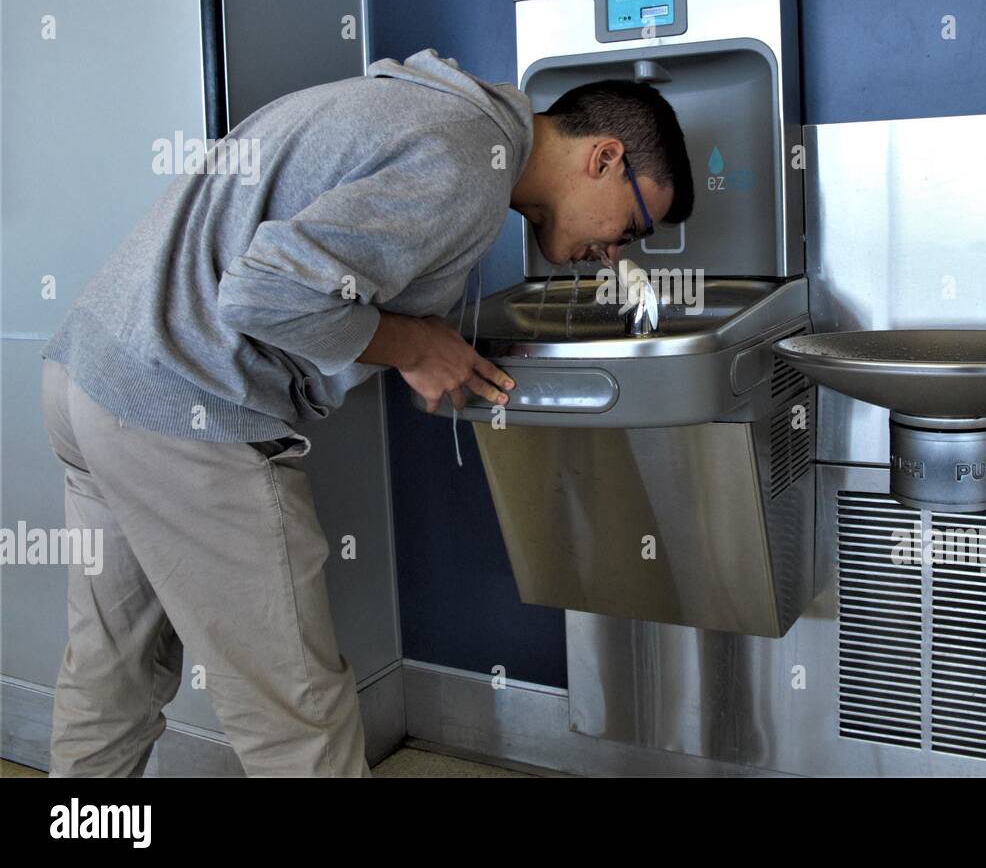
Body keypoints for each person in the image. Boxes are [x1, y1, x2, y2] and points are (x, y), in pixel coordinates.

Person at [39, 48, 694, 776]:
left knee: (112, 679)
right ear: (605, 157)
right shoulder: (465, 165)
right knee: (300, 719)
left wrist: (407, 340)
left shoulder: (435, 114)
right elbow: (263, 295)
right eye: (631, 228)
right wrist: (412, 343)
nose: (612, 254)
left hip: (92, 375)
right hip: (182, 407)